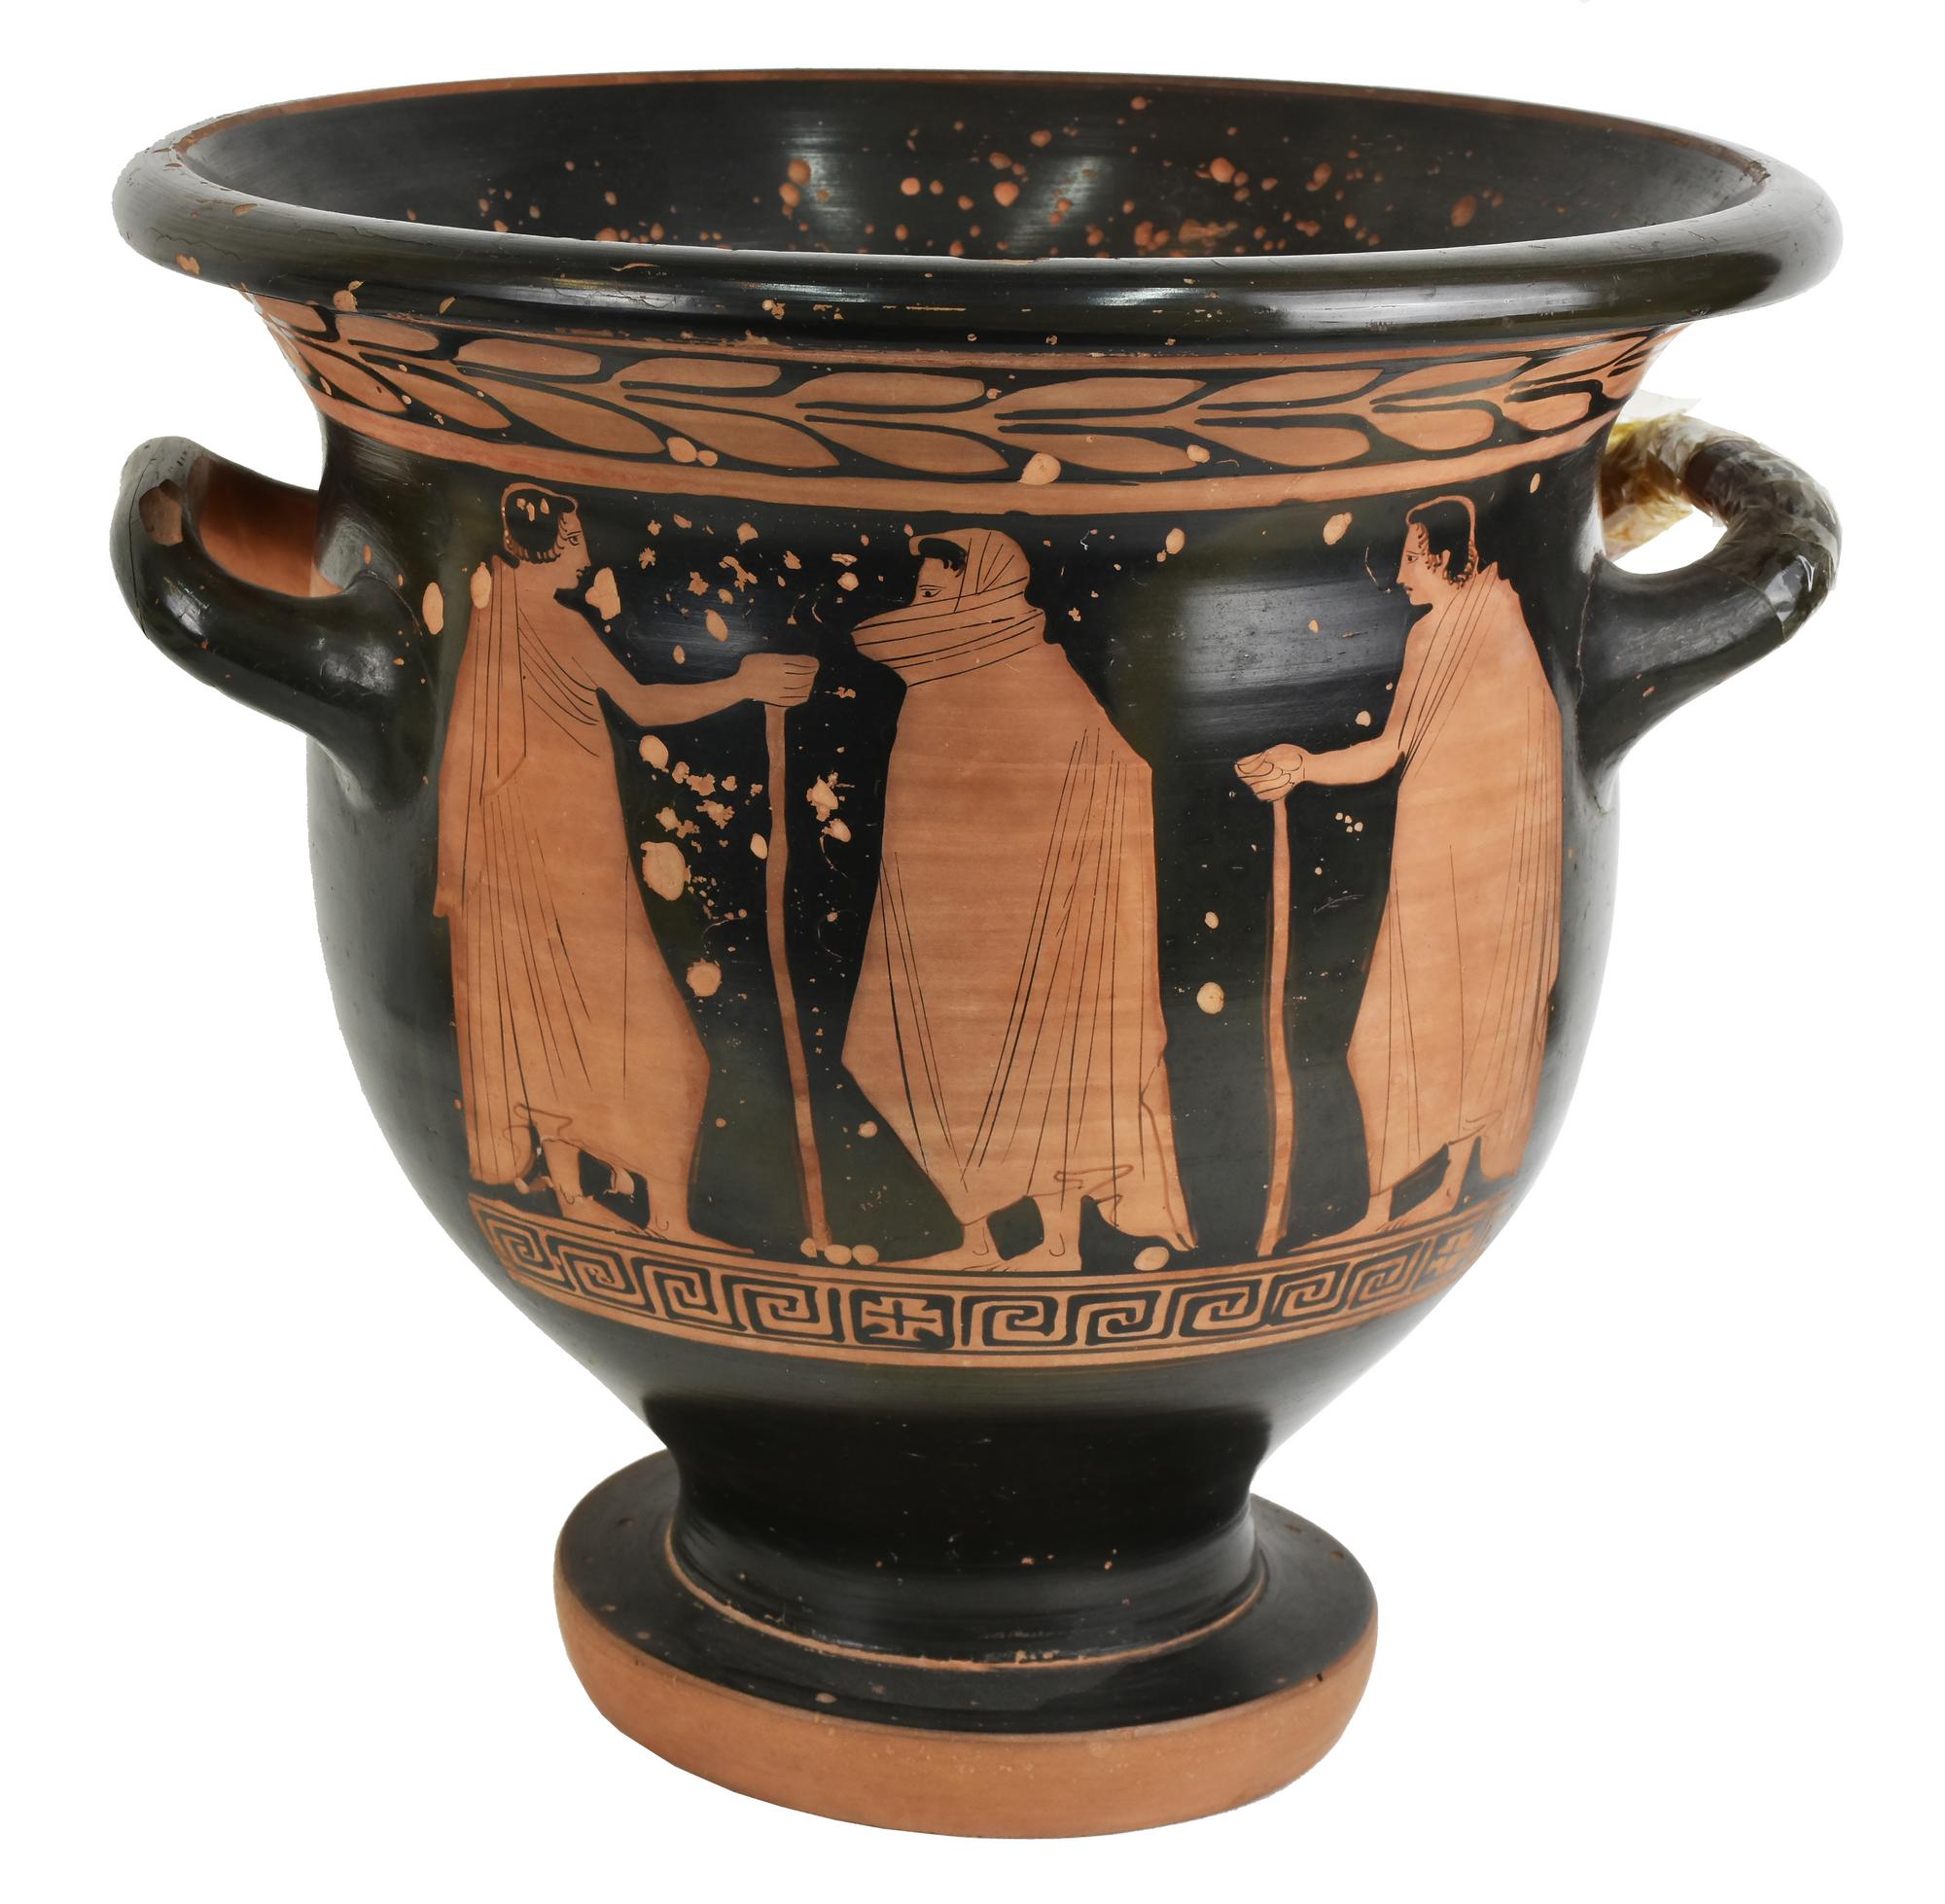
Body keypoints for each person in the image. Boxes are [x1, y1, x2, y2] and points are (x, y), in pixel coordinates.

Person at [436, 483, 815, 1240]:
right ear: (552, 543)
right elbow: (642, 706)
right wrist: (743, 682)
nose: (586, 551)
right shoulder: (553, 621)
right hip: (563, 847)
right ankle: (663, 1217)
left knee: (553, 1022)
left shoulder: (495, 613)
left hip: (526, 849)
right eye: (576, 538)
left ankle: (575, 1198)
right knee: (652, 1046)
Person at [842, 528, 1193, 1270]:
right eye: (919, 592)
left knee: (1042, 1064)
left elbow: (1119, 769)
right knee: (924, 1059)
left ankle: (1058, 1242)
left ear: (981, 589)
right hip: (937, 916)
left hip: (1031, 914)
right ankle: (977, 1238)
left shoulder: (1035, 675)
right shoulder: (931, 683)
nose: (919, 605)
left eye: (934, 592)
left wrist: (1072, 869)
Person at [1236, 495, 1562, 1234]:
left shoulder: (1499, 621)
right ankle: (1381, 1205)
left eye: (1412, 557)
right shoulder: (1426, 636)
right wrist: (1303, 764)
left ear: (1444, 558)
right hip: (1427, 848)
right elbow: (1389, 750)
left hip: (1487, 856)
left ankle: (1447, 1189)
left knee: (1475, 1019)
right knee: (1389, 1032)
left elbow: (1531, 741)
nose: (1400, 573)